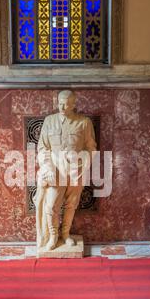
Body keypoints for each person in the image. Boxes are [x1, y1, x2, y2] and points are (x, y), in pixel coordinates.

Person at [35, 90, 97, 251]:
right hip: (55, 170)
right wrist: (47, 166)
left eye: (67, 103)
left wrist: (83, 163)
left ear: (74, 104)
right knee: (51, 205)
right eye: (60, 103)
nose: (63, 106)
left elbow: (91, 148)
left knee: (71, 205)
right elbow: (42, 147)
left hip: (76, 170)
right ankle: (53, 236)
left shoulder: (84, 122)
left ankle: (66, 234)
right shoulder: (49, 121)